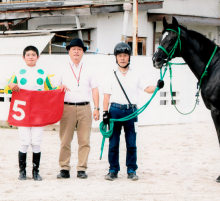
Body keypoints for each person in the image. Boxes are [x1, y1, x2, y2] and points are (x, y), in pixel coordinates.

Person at [102, 42, 164, 181]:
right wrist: (105, 114)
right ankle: (113, 170)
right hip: (115, 111)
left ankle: (131, 170)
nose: (122, 58)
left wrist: (157, 86)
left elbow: (147, 88)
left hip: (131, 112)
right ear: (116, 58)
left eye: (125, 56)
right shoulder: (110, 75)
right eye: (120, 56)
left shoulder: (136, 74)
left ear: (129, 57)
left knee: (131, 143)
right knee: (113, 143)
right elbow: (106, 96)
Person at [5, 45, 57, 181]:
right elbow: (7, 87)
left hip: (38, 110)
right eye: (28, 55)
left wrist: (60, 89)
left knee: (37, 142)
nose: (31, 57)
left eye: (33, 54)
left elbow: (51, 90)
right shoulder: (17, 72)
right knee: (23, 141)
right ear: (23, 57)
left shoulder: (44, 73)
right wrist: (10, 85)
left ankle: (36, 172)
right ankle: (22, 172)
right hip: (22, 110)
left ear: (38, 57)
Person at [52, 38, 100, 179]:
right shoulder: (61, 68)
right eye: (73, 49)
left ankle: (81, 168)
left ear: (83, 52)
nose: (76, 52)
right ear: (69, 51)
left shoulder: (90, 69)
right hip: (67, 108)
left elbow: (95, 89)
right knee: (65, 140)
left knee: (84, 140)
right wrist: (60, 87)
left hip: (85, 107)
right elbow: (55, 88)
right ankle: (64, 168)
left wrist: (96, 108)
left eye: (79, 49)